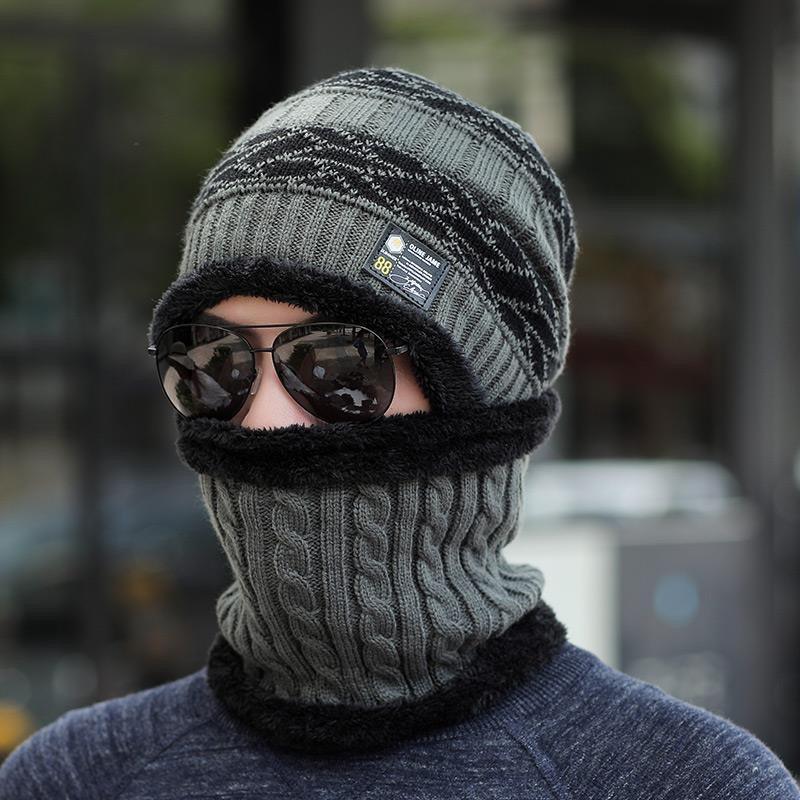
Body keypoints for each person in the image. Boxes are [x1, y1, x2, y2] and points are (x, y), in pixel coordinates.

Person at [1, 65, 798, 800]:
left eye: (336, 364)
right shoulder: (75, 779)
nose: (262, 416)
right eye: (216, 362)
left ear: (483, 401)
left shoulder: (689, 785)